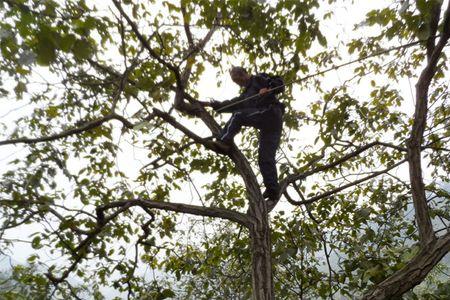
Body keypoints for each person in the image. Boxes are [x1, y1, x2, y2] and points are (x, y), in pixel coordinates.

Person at [207, 66, 285, 202]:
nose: (239, 83)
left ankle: (224, 141)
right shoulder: (246, 95)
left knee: (239, 115)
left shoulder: (259, 78)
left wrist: (269, 88)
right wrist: (216, 105)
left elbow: (279, 83)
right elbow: (234, 103)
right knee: (264, 158)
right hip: (267, 125)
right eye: (236, 82)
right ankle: (273, 190)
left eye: (239, 80)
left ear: (244, 73)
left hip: (271, 112)